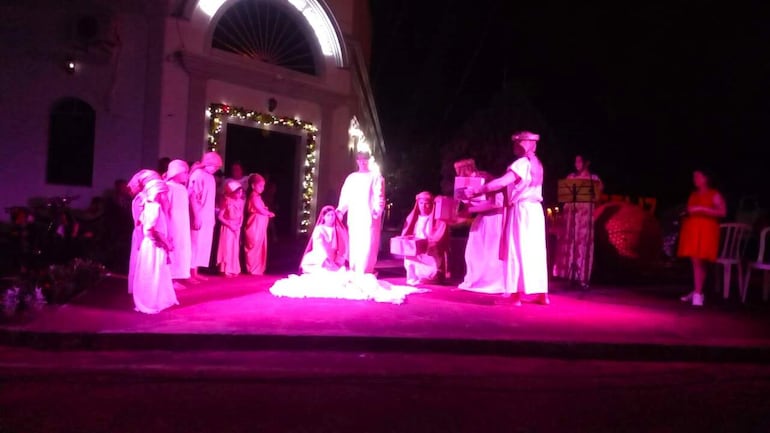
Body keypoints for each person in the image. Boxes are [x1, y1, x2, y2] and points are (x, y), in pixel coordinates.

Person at [464, 131, 549, 306]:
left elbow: (501, 183)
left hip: (521, 210)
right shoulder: (537, 165)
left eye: (515, 144)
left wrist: (477, 190)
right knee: (535, 252)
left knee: (516, 250)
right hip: (535, 211)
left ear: (521, 144)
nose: (513, 147)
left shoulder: (521, 164)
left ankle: (515, 296)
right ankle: (542, 294)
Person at [454, 159, 505, 294]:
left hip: (494, 218)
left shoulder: (485, 178)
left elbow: (494, 203)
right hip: (482, 218)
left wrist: (469, 210)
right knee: (475, 250)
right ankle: (478, 279)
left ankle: (492, 282)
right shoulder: (463, 183)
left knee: (491, 251)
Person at [552, 154, 603, 286]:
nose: (577, 164)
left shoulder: (594, 179)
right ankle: (568, 274)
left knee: (582, 244)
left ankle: (582, 277)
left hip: (585, 217)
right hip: (571, 216)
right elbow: (564, 196)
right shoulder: (571, 177)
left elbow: (597, 197)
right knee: (570, 243)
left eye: (579, 161)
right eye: (575, 161)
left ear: (587, 163)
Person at [677, 169, 726, 306]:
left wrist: (701, 209)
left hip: (706, 230)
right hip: (693, 230)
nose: (695, 179)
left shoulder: (714, 194)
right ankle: (697, 291)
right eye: (694, 176)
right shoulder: (693, 194)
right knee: (695, 261)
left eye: (698, 176)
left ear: (706, 178)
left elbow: (722, 212)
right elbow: (690, 210)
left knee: (699, 261)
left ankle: (698, 293)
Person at [132, 178, 179, 314]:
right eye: (164, 193)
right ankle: (151, 301)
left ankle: (157, 299)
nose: (166, 197)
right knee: (153, 273)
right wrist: (167, 243)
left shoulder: (150, 206)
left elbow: (140, 224)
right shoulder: (155, 207)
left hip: (151, 244)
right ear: (158, 193)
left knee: (155, 272)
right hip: (154, 246)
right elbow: (150, 229)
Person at [336, 151, 385, 274]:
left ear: (369, 161)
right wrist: (341, 210)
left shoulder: (375, 177)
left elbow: (379, 195)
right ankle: (355, 268)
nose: (362, 162)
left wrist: (377, 210)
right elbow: (345, 195)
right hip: (355, 215)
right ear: (357, 161)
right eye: (360, 159)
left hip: (369, 216)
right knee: (355, 243)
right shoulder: (351, 178)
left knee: (368, 243)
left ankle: (366, 269)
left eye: (365, 159)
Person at [400, 191, 449, 286]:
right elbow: (408, 232)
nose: (423, 206)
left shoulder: (438, 220)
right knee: (410, 256)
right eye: (421, 203)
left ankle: (429, 277)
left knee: (431, 261)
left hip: (429, 248)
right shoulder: (413, 218)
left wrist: (430, 243)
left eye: (427, 204)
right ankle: (414, 276)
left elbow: (439, 236)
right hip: (415, 248)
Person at [188, 151, 222, 281]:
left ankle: (196, 271)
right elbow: (193, 197)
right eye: (215, 166)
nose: (217, 169)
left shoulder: (210, 178)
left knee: (202, 244)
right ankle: (190, 272)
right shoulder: (198, 175)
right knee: (194, 243)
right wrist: (197, 216)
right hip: (198, 215)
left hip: (207, 216)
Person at [126, 169, 161, 294]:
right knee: (140, 262)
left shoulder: (151, 198)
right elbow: (138, 222)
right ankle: (139, 289)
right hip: (143, 235)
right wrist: (141, 241)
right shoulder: (139, 199)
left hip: (150, 235)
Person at [164, 159, 193, 289]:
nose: (187, 175)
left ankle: (176, 277)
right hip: (173, 224)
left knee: (181, 249)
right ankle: (169, 279)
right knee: (173, 250)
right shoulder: (168, 187)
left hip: (183, 225)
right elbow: (166, 208)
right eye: (185, 172)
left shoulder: (181, 188)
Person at [299, 205, 349, 274]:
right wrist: (326, 260)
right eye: (328, 215)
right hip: (321, 258)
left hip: (335, 258)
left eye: (332, 215)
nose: (331, 217)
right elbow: (318, 246)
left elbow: (343, 247)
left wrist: (338, 261)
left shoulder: (338, 230)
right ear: (324, 217)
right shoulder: (319, 229)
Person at [244, 173, 275, 275]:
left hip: (260, 224)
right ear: (253, 186)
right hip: (255, 224)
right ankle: (253, 268)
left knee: (259, 244)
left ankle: (257, 267)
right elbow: (258, 208)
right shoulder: (253, 197)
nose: (262, 188)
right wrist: (268, 213)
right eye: (260, 186)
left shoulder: (257, 197)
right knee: (254, 244)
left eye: (263, 186)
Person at [216, 179, 245, 277]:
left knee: (235, 248)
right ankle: (226, 268)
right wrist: (230, 225)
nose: (240, 194)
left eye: (241, 192)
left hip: (236, 227)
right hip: (228, 227)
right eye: (237, 192)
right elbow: (220, 216)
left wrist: (239, 224)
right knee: (227, 247)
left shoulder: (241, 202)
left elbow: (241, 214)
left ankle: (234, 268)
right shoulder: (227, 201)